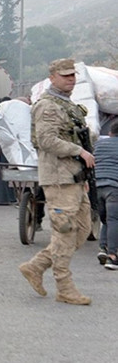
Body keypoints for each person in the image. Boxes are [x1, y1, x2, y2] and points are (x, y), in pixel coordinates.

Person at [18, 58, 94, 306]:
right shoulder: (48, 106)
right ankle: (64, 286)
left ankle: (36, 266)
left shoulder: (68, 105)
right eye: (64, 75)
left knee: (81, 231)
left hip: (73, 177)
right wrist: (78, 151)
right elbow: (47, 139)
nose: (70, 79)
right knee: (65, 231)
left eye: (72, 75)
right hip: (59, 177)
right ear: (52, 77)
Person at [95, 122, 118, 270]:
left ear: (110, 132)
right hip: (114, 187)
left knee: (107, 220)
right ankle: (112, 256)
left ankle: (103, 248)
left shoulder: (98, 145)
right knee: (114, 219)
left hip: (96, 187)